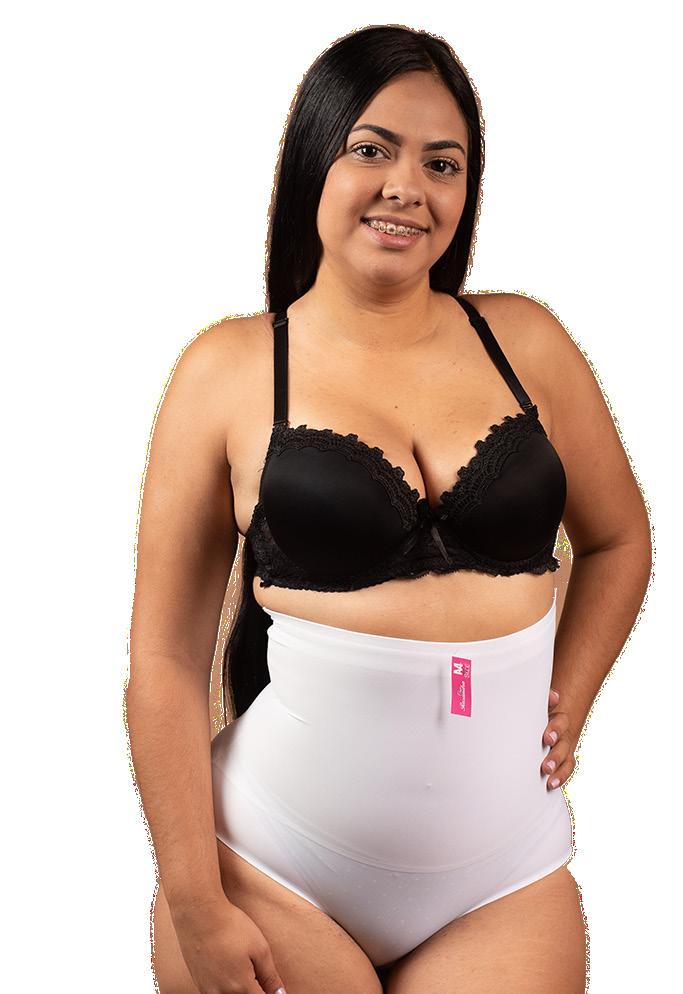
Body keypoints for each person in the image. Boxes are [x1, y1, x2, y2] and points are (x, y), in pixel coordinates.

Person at [126, 24, 652, 994]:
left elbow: (619, 539)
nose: (406, 186)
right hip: (270, 867)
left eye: (440, 163)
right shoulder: (227, 370)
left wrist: (568, 697)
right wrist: (196, 900)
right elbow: (163, 661)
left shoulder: (526, 342)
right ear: (313, 160)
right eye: (372, 148)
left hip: (500, 881)